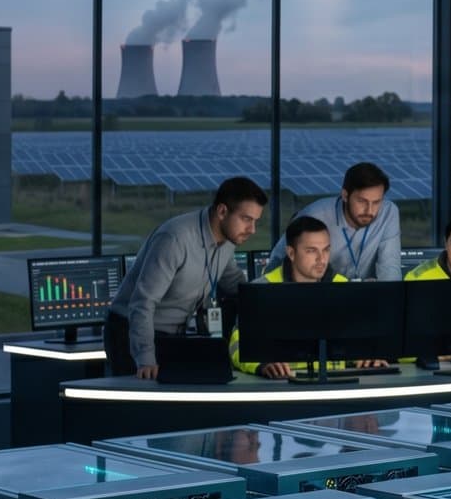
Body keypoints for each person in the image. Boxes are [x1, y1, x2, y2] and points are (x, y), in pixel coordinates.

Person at [106, 176, 266, 380]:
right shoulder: (175, 238)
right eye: (246, 219)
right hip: (131, 332)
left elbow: (235, 284)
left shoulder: (227, 243)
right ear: (222, 211)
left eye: (256, 221)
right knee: (139, 404)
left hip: (173, 335)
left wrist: (270, 299)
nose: (252, 230)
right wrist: (145, 358)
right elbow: (142, 302)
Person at [230, 215, 388, 379]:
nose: (322, 259)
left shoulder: (345, 288)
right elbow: (237, 344)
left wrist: (368, 353)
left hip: (337, 383)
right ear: (291, 253)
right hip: (282, 384)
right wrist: (260, 363)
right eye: (311, 251)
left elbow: (364, 337)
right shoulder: (260, 290)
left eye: (326, 249)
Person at [272, 161, 401, 280]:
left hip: (367, 297)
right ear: (345, 195)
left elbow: (390, 268)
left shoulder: (388, 212)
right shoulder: (313, 216)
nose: (370, 210)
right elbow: (276, 263)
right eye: (362, 201)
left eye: (376, 202)